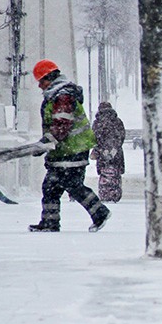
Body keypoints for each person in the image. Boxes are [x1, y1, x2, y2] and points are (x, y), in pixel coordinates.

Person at [28, 59, 111, 233]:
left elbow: (62, 125)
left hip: (73, 150)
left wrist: (46, 142)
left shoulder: (63, 96)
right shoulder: (57, 95)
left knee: (73, 185)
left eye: (41, 81)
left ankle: (100, 213)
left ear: (49, 78)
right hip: (64, 151)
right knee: (51, 186)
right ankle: (50, 223)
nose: (39, 86)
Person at [91, 101, 125, 203]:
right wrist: (114, 148)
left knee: (104, 173)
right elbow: (121, 136)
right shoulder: (117, 121)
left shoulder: (97, 122)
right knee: (115, 173)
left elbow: (94, 137)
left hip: (102, 153)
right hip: (116, 152)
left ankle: (105, 194)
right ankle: (115, 194)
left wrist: (101, 149)